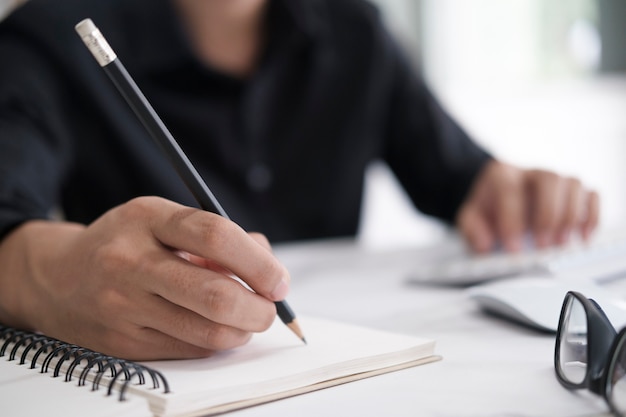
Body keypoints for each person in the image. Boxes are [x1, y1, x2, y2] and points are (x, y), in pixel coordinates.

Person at [0, 0, 599, 360]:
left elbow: (461, 177)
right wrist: (47, 273)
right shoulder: (50, 36)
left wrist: (503, 193)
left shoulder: (354, 28)